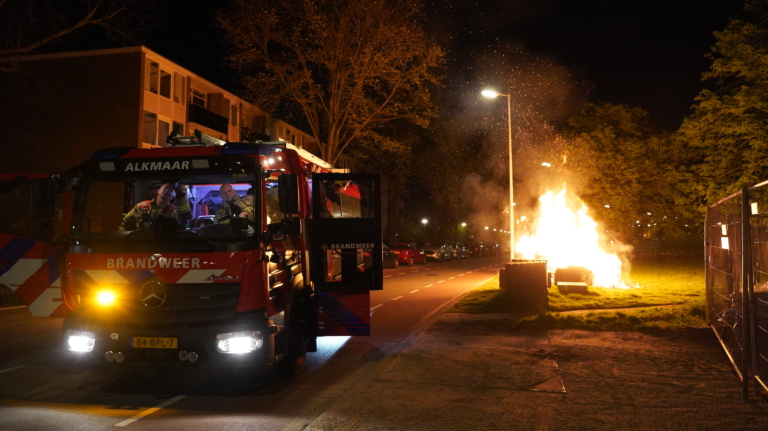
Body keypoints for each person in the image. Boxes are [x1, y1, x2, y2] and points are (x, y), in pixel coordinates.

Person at [119, 183, 191, 231]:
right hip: (142, 245)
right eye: (165, 188)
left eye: (170, 190)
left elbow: (185, 217)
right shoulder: (141, 206)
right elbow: (125, 222)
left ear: (172, 197)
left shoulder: (174, 211)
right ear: (158, 191)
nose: (167, 190)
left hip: (165, 246)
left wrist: (180, 194)